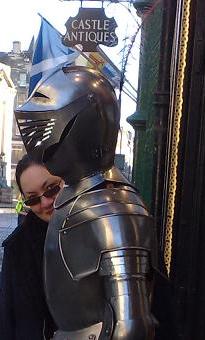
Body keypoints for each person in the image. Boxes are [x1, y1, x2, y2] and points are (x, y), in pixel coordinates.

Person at [15, 66, 157, 339]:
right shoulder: (75, 197)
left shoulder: (111, 210)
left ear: (84, 124)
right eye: (32, 198)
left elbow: (132, 325)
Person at [0, 154, 63, 340]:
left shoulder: (99, 228)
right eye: (33, 199)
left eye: (51, 189)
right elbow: (8, 319)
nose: (45, 203)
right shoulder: (17, 248)